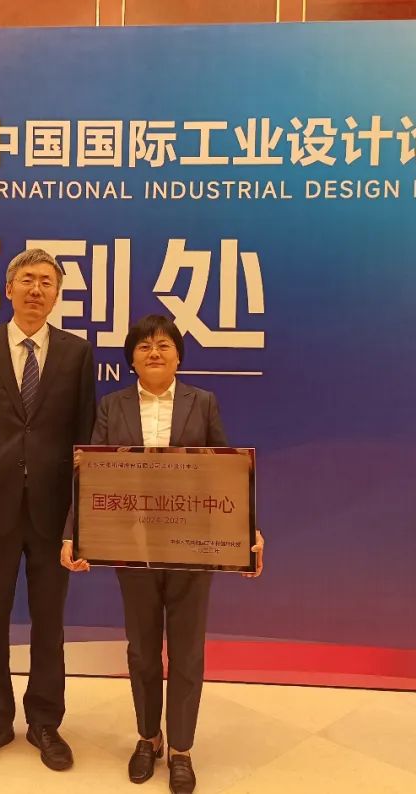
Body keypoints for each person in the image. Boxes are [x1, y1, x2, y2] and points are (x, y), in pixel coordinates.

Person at [60, 314, 264, 794]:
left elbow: (226, 472)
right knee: (142, 649)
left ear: (178, 356)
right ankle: (148, 738)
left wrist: (247, 533)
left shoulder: (203, 402)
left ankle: (182, 750)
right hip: (132, 546)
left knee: (188, 652)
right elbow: (92, 474)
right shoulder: (111, 406)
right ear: (131, 359)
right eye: (144, 346)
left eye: (164, 345)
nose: (154, 352)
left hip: (193, 547)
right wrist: (75, 534)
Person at [0, 248, 96, 772]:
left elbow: (85, 439)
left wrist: (81, 518)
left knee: (49, 624)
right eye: (28, 280)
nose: (37, 290)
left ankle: (45, 723)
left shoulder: (77, 354)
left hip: (54, 514)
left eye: (47, 282)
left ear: (57, 294)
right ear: (8, 288)